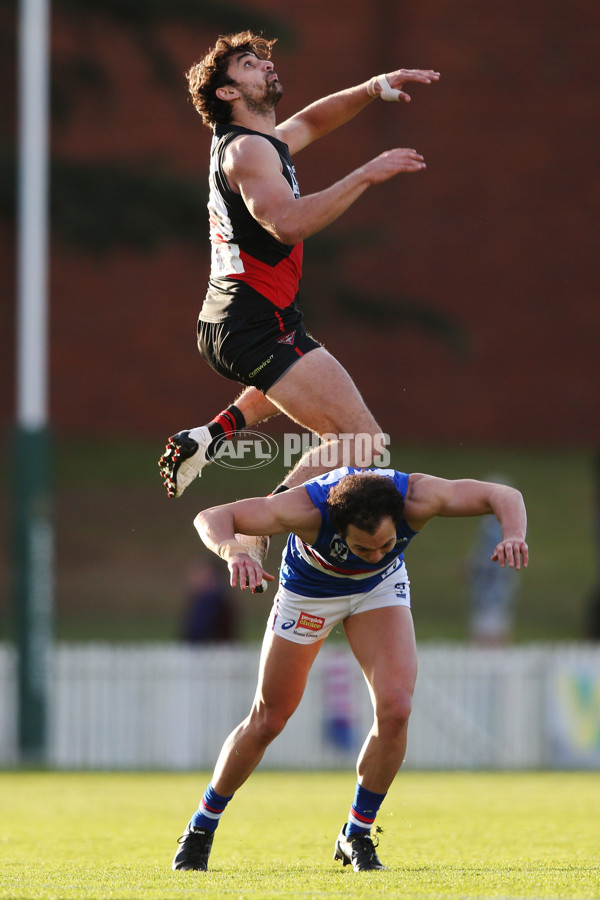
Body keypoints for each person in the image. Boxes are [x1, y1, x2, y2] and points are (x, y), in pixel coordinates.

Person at [171, 466, 528, 872]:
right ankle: (201, 826)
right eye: (362, 549)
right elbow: (212, 517)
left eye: (386, 543)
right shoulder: (306, 510)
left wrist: (513, 534)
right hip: (310, 593)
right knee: (268, 719)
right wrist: (233, 552)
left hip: (378, 588)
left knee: (396, 708)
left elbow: (504, 496)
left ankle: (356, 833)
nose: (376, 553)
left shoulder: (419, 498)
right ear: (338, 528)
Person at [158, 31, 440, 508]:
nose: (265, 66)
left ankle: (209, 437)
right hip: (251, 322)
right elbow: (287, 224)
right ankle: (260, 524)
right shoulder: (248, 152)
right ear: (227, 92)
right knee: (364, 442)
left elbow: (311, 121)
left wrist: (373, 87)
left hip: (245, 318)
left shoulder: (262, 142)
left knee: (299, 371)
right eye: (248, 65)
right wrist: (364, 174)